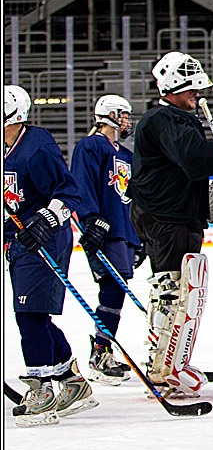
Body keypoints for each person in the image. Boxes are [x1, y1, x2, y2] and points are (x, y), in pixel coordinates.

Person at [128, 51, 213, 396]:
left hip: (174, 214)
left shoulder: (176, 119)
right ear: (174, 89)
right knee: (174, 289)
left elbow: (189, 166)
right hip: (166, 218)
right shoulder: (162, 119)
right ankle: (163, 366)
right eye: (192, 90)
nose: (198, 95)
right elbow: (194, 158)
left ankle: (164, 359)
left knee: (168, 287)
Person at [4, 84, 96, 426]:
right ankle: (71, 381)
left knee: (28, 314)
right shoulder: (6, 149)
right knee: (35, 315)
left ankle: (41, 388)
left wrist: (46, 219)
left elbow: (69, 192)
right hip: (19, 242)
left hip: (44, 241)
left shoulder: (36, 146)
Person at [69, 94, 142, 385]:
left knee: (117, 290)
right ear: (109, 115)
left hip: (123, 232)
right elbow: (81, 184)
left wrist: (138, 237)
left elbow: (131, 198)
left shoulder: (125, 153)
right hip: (104, 230)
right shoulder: (89, 146)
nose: (127, 121)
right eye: (123, 115)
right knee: (111, 290)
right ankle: (100, 353)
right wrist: (90, 220)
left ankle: (103, 349)